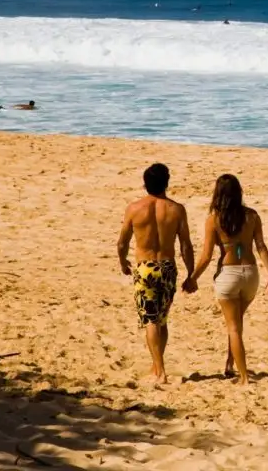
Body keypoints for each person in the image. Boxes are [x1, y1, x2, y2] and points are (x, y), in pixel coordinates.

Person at [188, 174, 268, 385]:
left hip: (228, 274)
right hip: (251, 273)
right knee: (237, 322)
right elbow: (261, 246)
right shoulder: (252, 216)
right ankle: (230, 364)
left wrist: (192, 278)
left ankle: (244, 376)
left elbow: (207, 256)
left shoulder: (214, 220)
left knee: (233, 327)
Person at [116, 163, 197, 385]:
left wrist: (123, 262)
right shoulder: (177, 209)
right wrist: (191, 274)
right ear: (167, 183)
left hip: (145, 268)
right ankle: (156, 365)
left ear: (145, 183)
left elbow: (122, 242)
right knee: (162, 319)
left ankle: (160, 372)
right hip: (168, 267)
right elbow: (186, 246)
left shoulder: (134, 208)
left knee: (151, 320)